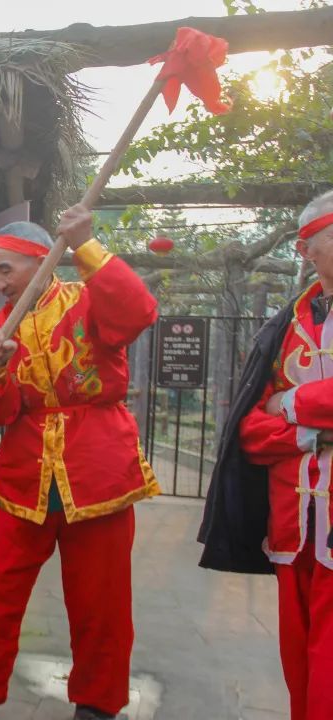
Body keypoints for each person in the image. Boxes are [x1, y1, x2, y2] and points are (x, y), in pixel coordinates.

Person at [0, 205, 160, 720]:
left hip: (96, 474)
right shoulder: (2, 324)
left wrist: (86, 245)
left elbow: (137, 312)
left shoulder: (88, 299)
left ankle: (99, 703)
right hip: (25, 474)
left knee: (99, 602)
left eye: (5, 270)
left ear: (42, 262)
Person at [200, 190, 333, 720]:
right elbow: (251, 432)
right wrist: (309, 436)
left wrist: (292, 402)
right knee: (297, 655)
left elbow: (276, 410)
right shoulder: (286, 326)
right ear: (308, 250)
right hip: (292, 526)